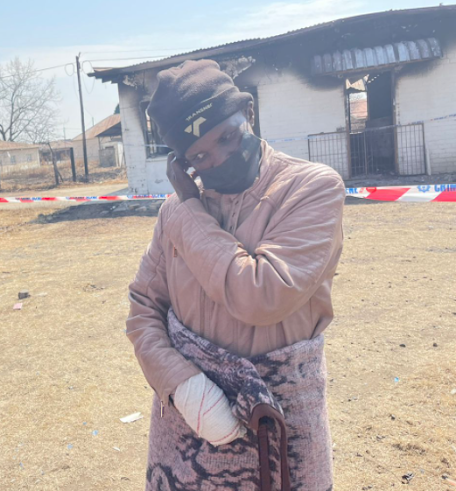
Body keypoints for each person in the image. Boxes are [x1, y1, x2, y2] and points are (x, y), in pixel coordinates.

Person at [126, 60, 345, 490]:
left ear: (248, 113)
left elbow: (261, 296)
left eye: (227, 138)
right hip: (191, 428)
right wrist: (183, 384)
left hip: (281, 427)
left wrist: (190, 210)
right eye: (200, 156)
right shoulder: (174, 213)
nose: (220, 159)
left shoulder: (311, 189)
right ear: (182, 162)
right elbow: (144, 309)